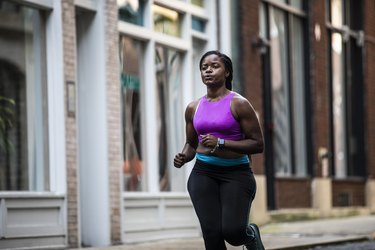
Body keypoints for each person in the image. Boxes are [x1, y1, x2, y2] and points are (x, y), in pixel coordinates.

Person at [173, 50, 265, 250]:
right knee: (211, 233)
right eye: (204, 67)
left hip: (236, 174)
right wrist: (183, 156)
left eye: (214, 66)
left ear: (227, 73)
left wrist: (221, 143)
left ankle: (250, 235)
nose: (208, 70)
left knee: (232, 232)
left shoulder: (239, 104)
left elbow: (258, 144)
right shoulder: (193, 108)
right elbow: (191, 143)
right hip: (203, 173)